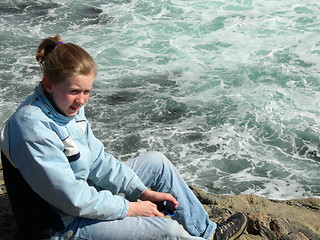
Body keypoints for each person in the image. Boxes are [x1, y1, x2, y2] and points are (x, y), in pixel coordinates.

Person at [0, 35, 247, 240]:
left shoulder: (66, 106)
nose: (82, 100)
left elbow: (97, 160)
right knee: (167, 231)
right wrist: (131, 208)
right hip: (60, 225)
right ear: (48, 84)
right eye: (74, 91)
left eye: (87, 91)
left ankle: (208, 233)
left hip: (80, 197)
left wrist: (141, 192)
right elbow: (72, 200)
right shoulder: (32, 128)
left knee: (157, 163)